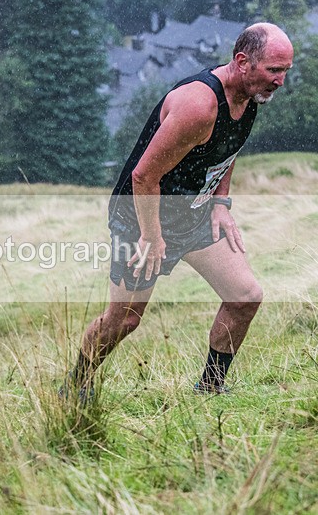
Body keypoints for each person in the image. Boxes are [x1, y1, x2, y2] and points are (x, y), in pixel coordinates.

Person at [64, 23, 293, 400]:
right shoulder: (198, 105)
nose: (281, 81)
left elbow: (226, 149)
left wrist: (221, 202)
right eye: (274, 70)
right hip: (140, 215)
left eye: (286, 70)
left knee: (245, 297)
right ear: (242, 61)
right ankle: (76, 385)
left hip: (193, 215)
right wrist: (153, 237)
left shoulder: (250, 95)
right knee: (125, 320)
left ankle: (210, 388)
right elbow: (143, 176)